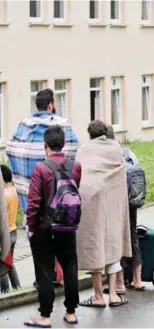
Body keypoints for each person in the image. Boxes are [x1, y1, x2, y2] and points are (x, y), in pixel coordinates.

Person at [6, 89, 78, 288]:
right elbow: (74, 153)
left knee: (38, 243)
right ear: (50, 105)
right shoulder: (61, 126)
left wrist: (23, 179)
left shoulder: (23, 126)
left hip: (33, 199)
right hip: (60, 200)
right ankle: (59, 277)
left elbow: (11, 150)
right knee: (63, 244)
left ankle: (43, 280)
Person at [23, 125, 81, 327]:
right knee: (70, 267)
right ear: (63, 144)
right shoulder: (75, 166)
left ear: (45, 145)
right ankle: (71, 312)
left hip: (44, 227)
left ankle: (45, 316)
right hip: (68, 225)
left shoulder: (41, 168)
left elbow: (34, 202)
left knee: (45, 270)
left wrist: (31, 225)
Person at [77, 120, 130, 308]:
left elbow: (78, 172)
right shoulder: (116, 148)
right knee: (112, 245)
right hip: (113, 202)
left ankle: (98, 296)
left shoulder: (84, 149)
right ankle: (114, 294)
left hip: (90, 202)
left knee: (94, 245)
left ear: (90, 134)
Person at [105, 125, 144, 293]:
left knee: (115, 238)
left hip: (115, 202)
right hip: (132, 201)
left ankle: (119, 282)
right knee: (132, 236)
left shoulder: (107, 155)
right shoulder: (128, 153)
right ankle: (138, 280)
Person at [0, 165, 21, 294]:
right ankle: (17, 288)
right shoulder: (14, 191)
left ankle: (5, 293)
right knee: (9, 263)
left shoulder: (4, 196)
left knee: (2, 265)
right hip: (13, 230)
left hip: (4, 233)